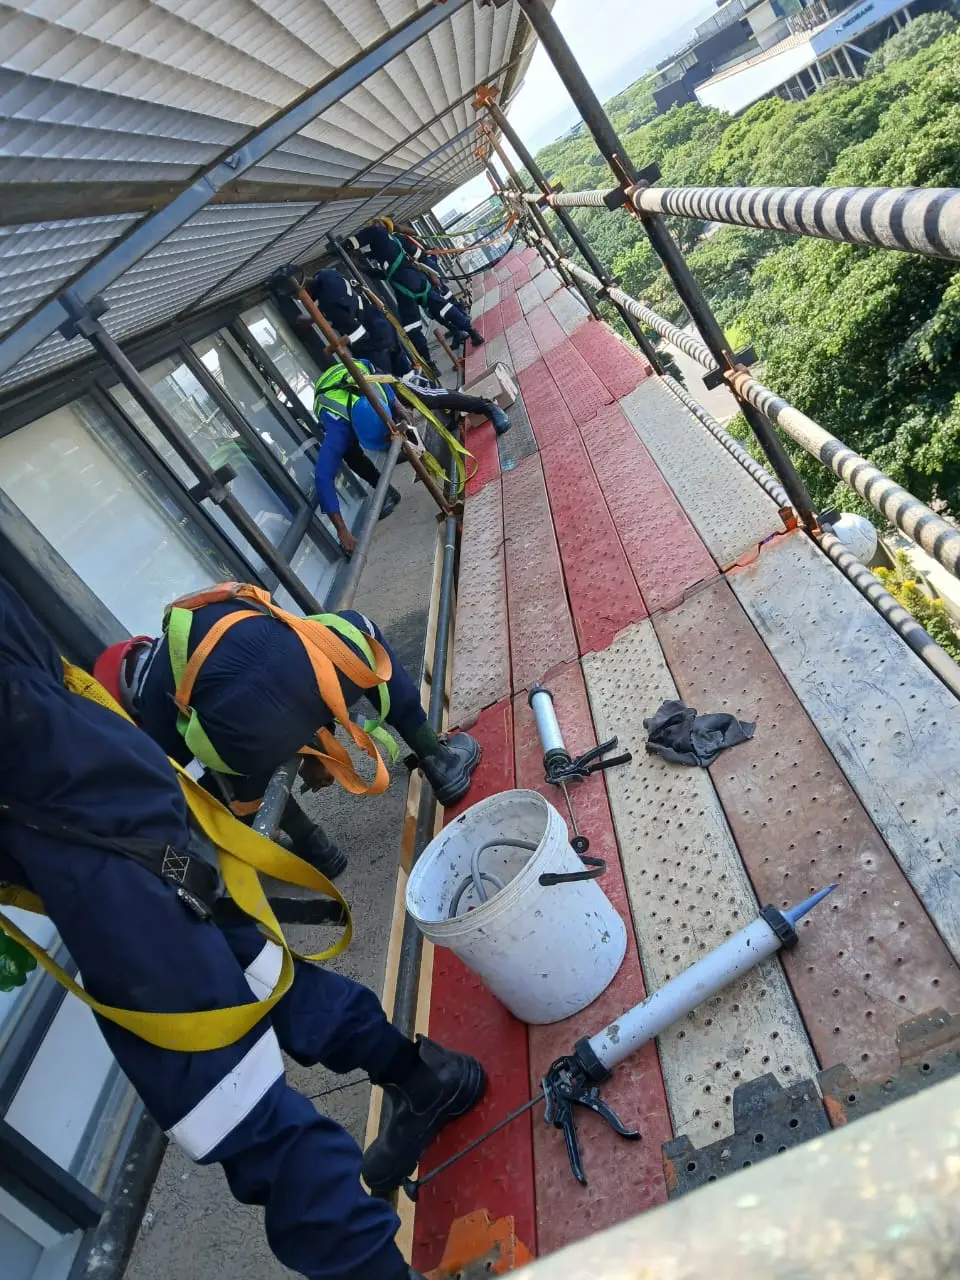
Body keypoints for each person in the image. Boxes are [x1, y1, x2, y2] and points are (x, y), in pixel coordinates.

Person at [0, 572, 482, 1280]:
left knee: (230, 1110)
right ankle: (423, 1075)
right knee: (270, 979)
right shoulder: (141, 660)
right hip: (131, 826)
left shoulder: (137, 699)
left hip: (94, 862)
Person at [93, 589, 482, 880]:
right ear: (142, 645)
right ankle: (439, 760)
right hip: (322, 683)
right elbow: (286, 644)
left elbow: (204, 792)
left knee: (220, 768)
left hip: (254, 750)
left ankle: (316, 846)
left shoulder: (154, 718)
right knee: (360, 630)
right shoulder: (200, 607)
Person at [345, 217, 484, 365]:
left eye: (376, 225)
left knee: (413, 326)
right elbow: (399, 265)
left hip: (405, 287)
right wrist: (362, 265)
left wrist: (346, 247)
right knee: (443, 307)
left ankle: (430, 362)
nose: (374, 228)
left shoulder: (381, 235)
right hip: (418, 281)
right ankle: (470, 331)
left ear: (383, 227)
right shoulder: (392, 244)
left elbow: (414, 258)